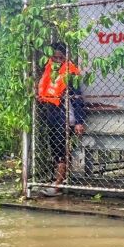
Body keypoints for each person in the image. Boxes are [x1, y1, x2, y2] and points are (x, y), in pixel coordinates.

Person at [37, 42, 85, 196]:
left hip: (66, 115)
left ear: (66, 58)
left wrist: (78, 121)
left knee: (60, 148)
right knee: (56, 147)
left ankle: (58, 185)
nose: (57, 60)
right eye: (55, 57)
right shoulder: (50, 71)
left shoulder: (71, 73)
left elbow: (77, 97)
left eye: (61, 57)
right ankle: (60, 181)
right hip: (53, 115)